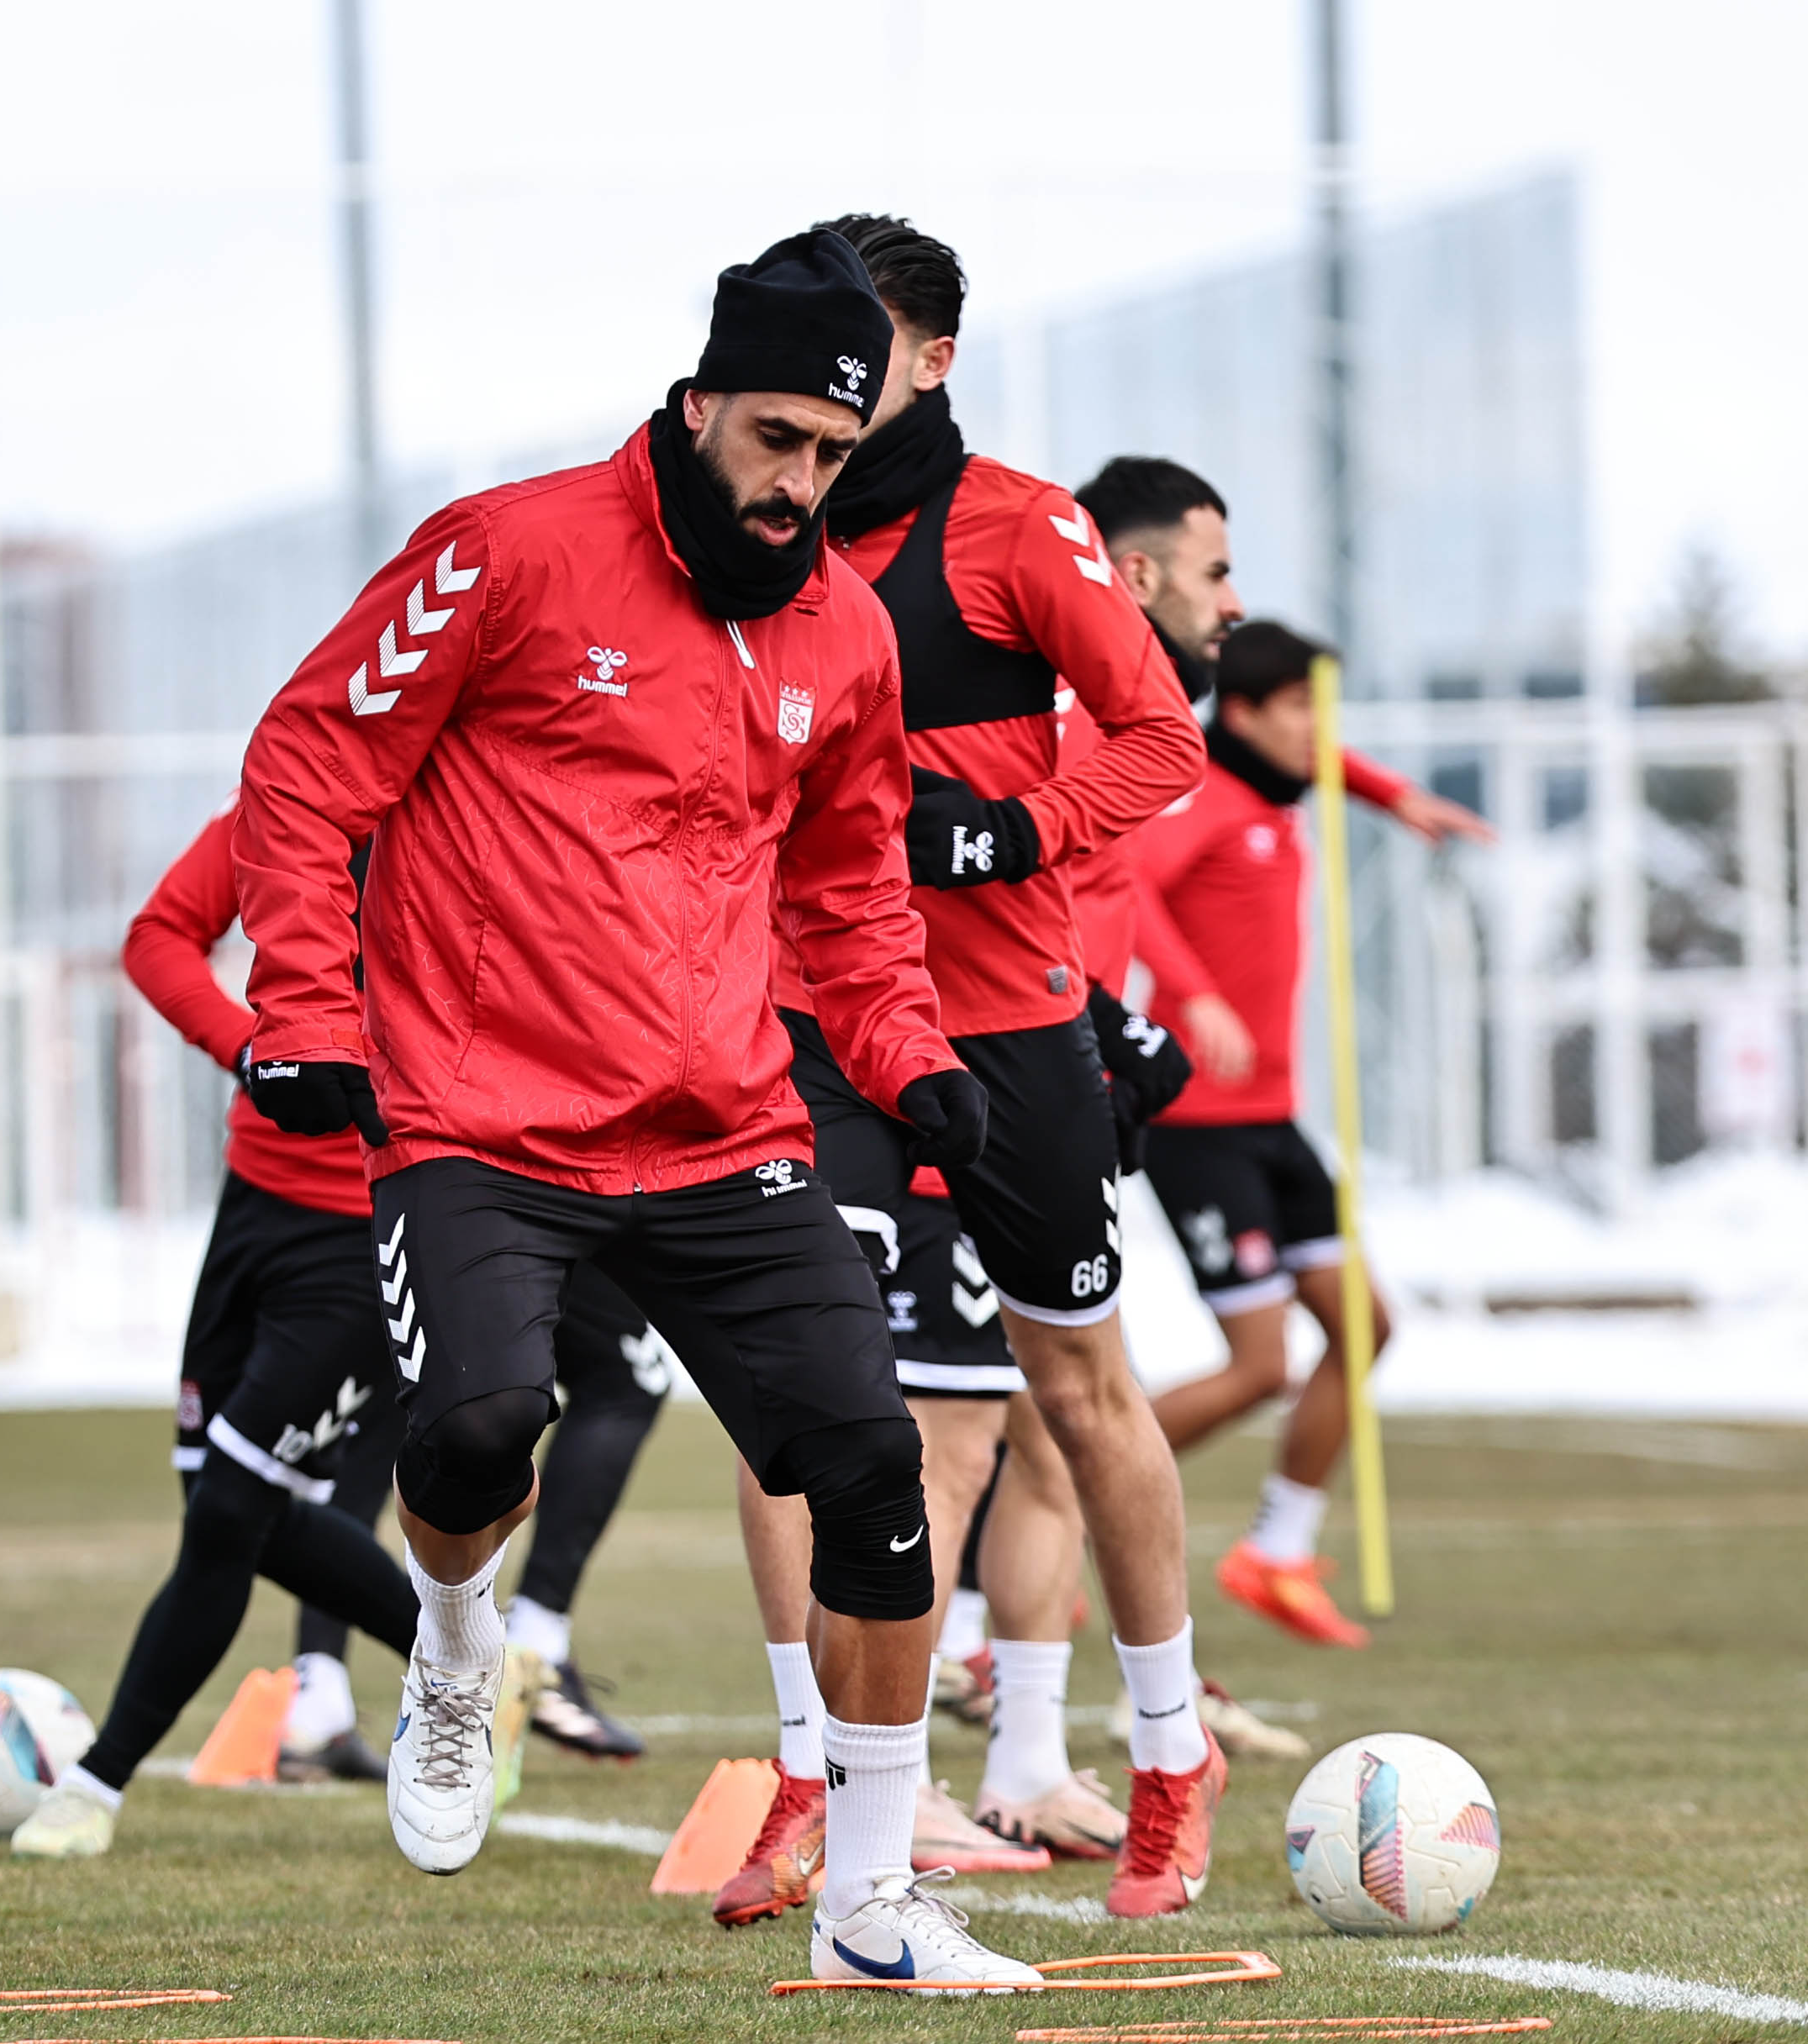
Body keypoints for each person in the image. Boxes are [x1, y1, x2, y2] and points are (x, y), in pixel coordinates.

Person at [232, 229, 1041, 1991]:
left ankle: (872, 1909)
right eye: (772, 442)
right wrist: (302, 1006)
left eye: (830, 457)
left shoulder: (840, 629)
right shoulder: (503, 554)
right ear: (697, 407)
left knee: (876, 1473)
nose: (797, 487)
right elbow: (308, 762)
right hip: (474, 1115)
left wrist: (909, 1057)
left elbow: (850, 893)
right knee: (475, 1430)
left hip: (721, 1127)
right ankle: (456, 1639)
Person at [727, 214, 1220, 1924]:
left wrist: (1013, 823)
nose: (828, 376)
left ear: (930, 359)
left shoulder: (1018, 526)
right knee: (804, 1403)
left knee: (1078, 1397)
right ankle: (814, 1771)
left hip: (1011, 1035)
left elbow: (1162, 734)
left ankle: (1170, 1757)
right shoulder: (752, 532)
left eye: (861, 342)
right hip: (814, 1032)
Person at [8, 804, 421, 1858]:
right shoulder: (291, 804)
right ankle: (459, 1657)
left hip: (372, 1229)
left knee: (231, 1506)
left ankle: (94, 1786)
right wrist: (248, 1048)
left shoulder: (482, 818)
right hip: (251, 1211)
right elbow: (156, 935)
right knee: (229, 1501)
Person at [1129, 619, 1493, 1646]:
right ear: (1243, 713)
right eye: (1299, 708)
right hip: (1198, 1122)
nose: (1318, 732)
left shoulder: (1276, 780)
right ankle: (1054, 1492)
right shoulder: (1204, 790)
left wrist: (1392, 796)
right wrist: (1191, 994)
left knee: (1364, 1325)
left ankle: (1274, 1550)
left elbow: (1324, 755)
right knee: (1256, 1365)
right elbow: (1127, 887)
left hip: (1273, 1120)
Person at [503, 1263, 671, 1761]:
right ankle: (525, 1648)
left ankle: (317, 1693)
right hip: (520, 1193)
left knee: (382, 1410)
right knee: (624, 1382)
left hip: (373, 1203)